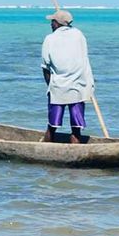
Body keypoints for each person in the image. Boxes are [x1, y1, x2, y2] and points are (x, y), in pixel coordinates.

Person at [41, 9, 95, 144]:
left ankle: (48, 151)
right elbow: (84, 58)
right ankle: (74, 152)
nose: (51, 24)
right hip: (79, 86)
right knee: (76, 129)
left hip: (58, 88)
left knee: (51, 127)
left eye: (53, 21)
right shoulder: (79, 35)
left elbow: (45, 67)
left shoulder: (50, 39)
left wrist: (50, 86)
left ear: (58, 23)